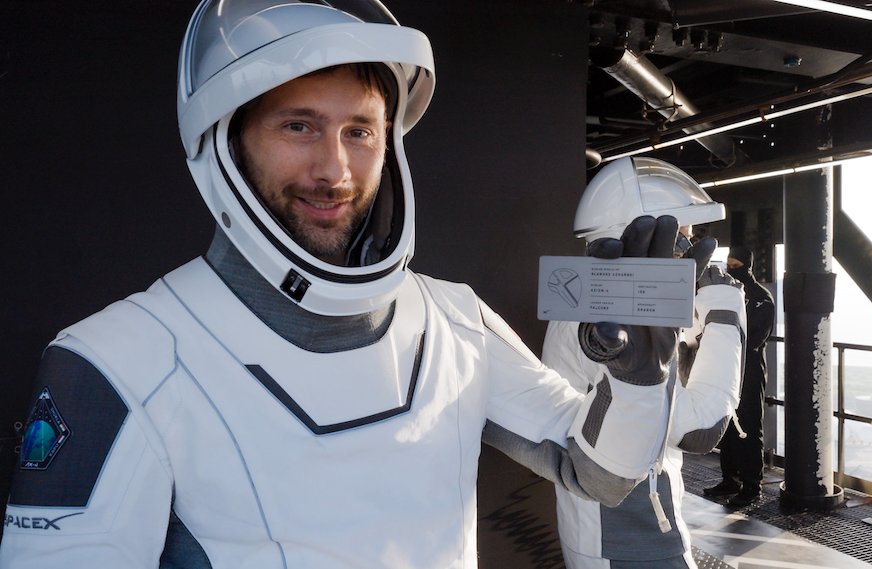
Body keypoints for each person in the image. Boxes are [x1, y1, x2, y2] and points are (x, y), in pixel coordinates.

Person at [0, 2, 685, 567]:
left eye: (359, 129)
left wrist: (637, 383)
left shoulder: (454, 318)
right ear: (225, 140)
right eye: (299, 125)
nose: (336, 168)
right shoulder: (116, 362)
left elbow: (599, 471)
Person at [542, 157, 746, 569]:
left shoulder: (596, 307)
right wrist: (726, 311)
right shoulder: (611, 324)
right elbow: (701, 431)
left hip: (615, 528)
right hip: (628, 536)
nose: (693, 255)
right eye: (683, 240)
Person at [703, 245, 776, 508]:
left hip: (751, 372)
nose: (732, 270)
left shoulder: (760, 297)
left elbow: (757, 336)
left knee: (749, 426)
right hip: (726, 369)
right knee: (728, 426)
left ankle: (752, 486)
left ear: (747, 266)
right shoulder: (726, 295)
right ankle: (730, 480)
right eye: (729, 266)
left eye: (737, 266)